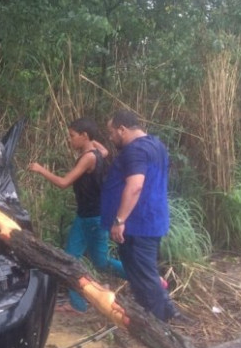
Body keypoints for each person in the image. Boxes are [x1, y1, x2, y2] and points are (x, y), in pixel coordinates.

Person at [28, 117, 126, 312]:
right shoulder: (99, 152)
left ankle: (140, 275)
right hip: (86, 217)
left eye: (72, 136)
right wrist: (91, 139)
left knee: (96, 261)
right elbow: (102, 149)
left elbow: (64, 183)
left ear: (84, 136)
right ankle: (77, 305)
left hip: (92, 219)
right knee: (72, 259)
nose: (69, 140)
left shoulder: (89, 157)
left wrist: (40, 170)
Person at [101, 109, 178, 322]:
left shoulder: (135, 151)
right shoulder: (156, 145)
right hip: (150, 220)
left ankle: (157, 327)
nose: (110, 137)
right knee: (145, 274)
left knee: (144, 277)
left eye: (111, 132)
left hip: (137, 224)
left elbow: (135, 186)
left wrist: (119, 220)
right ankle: (164, 313)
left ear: (122, 129)